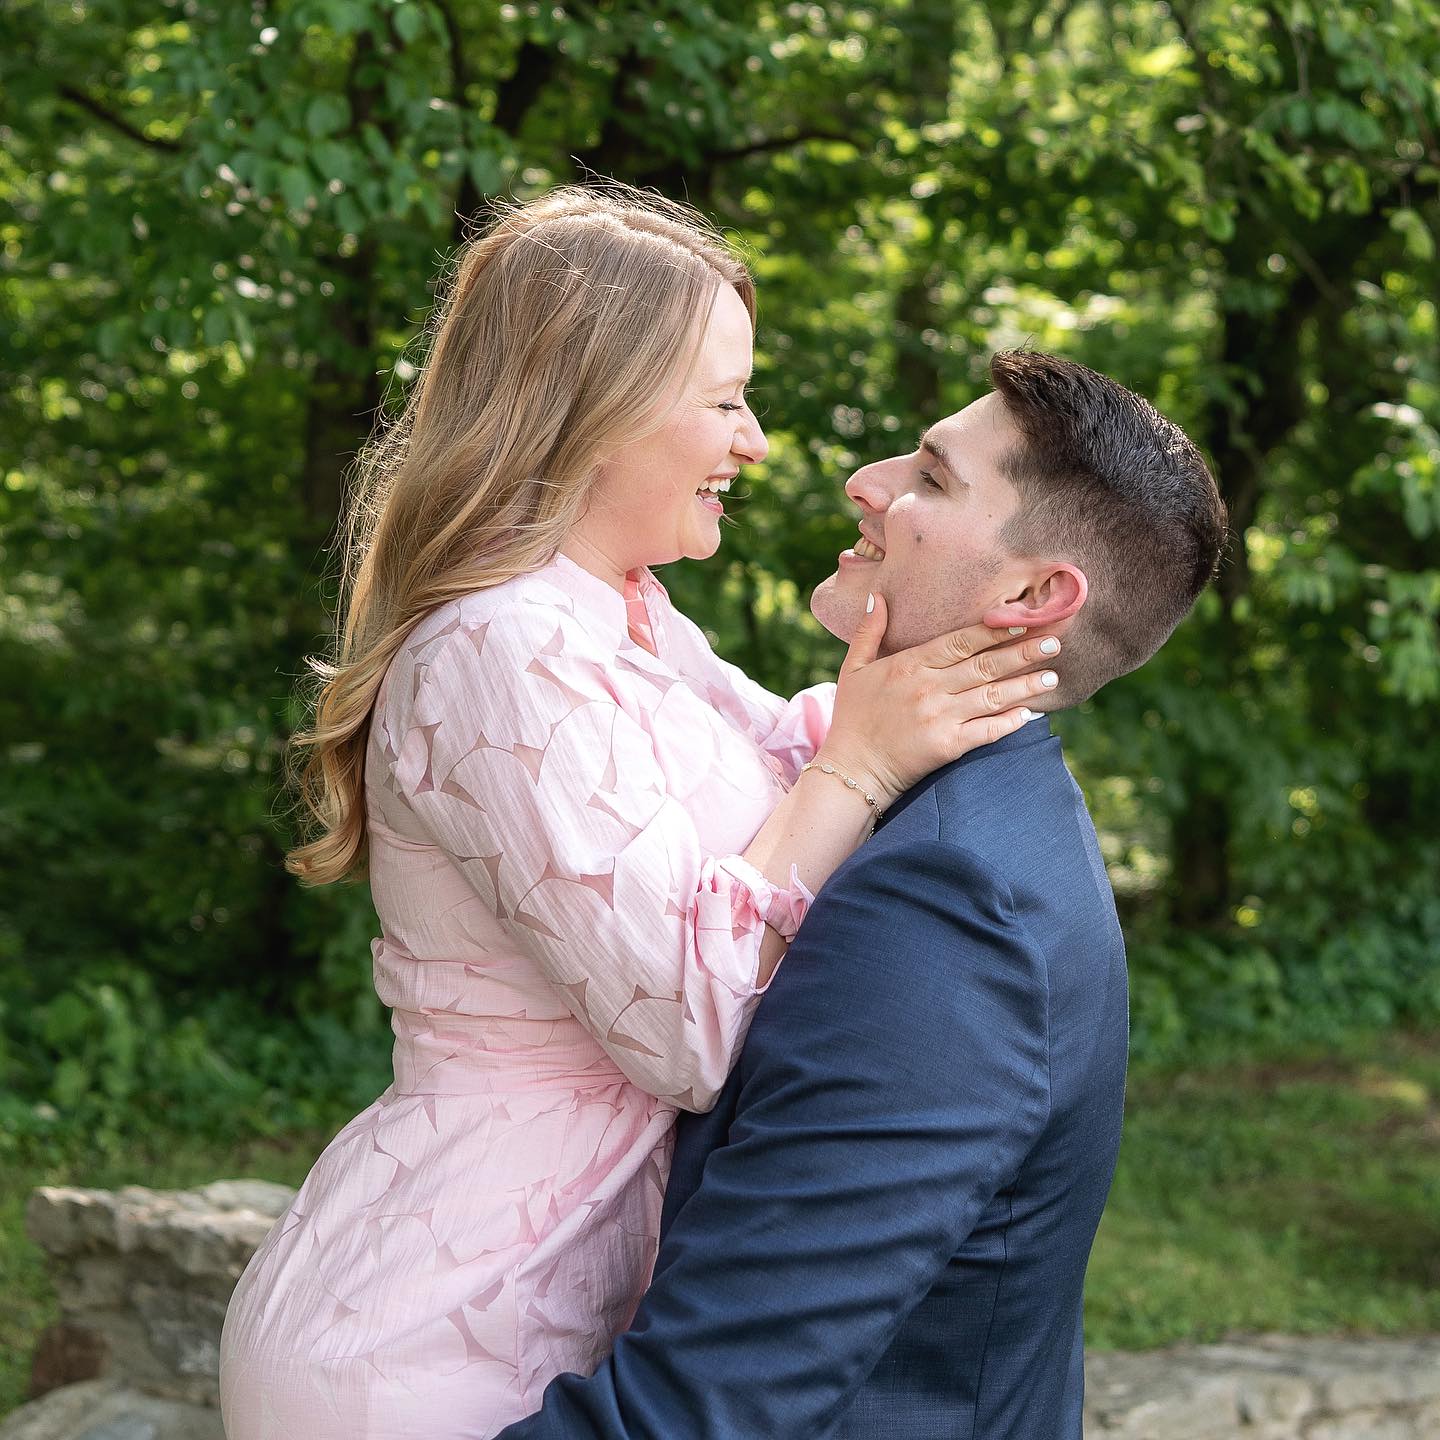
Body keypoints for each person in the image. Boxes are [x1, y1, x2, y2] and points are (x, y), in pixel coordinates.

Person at [217, 186, 1062, 1439]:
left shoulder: (621, 614)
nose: (759, 441)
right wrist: (862, 767)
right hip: (435, 1340)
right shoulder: (499, 653)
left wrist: (919, 689)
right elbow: (685, 1024)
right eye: (725, 401)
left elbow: (779, 755)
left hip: (555, 1314)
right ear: (590, 410)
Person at [495, 350, 1229, 1440]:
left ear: (1032, 596)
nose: (869, 481)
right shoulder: (961, 814)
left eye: (931, 478)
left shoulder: (952, 906)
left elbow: (697, 1412)